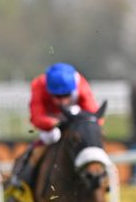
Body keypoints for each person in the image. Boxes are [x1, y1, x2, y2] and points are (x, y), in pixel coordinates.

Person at [8, 62, 99, 191]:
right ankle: (24, 174)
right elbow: (36, 117)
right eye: (57, 96)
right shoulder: (39, 85)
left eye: (66, 95)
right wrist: (55, 123)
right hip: (50, 120)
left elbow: (94, 118)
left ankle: (100, 175)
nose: (62, 101)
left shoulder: (81, 85)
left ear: (73, 89)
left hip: (75, 117)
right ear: (49, 91)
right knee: (51, 136)